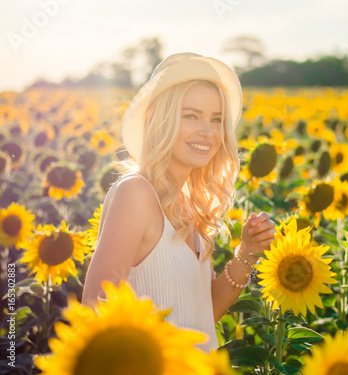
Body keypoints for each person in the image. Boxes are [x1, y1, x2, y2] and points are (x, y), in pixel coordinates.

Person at [82, 52, 276, 352]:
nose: (208, 131)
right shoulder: (136, 194)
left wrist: (246, 253)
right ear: (162, 119)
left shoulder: (189, 203)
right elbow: (96, 312)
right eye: (191, 115)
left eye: (216, 119)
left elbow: (201, 315)